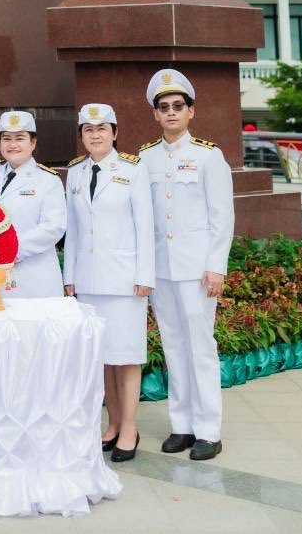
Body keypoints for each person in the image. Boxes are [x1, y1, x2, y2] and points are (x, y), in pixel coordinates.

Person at [141, 68, 234, 462]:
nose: (172, 113)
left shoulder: (208, 156)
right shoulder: (144, 158)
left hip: (197, 270)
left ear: (191, 112)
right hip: (161, 269)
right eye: (164, 108)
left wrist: (216, 268)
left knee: (200, 348)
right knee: (174, 346)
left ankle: (208, 430)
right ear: (156, 115)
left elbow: (222, 216)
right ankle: (182, 425)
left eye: (179, 106)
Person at [64, 102, 154, 463]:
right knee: (102, 359)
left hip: (124, 281)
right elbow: (72, 229)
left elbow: (145, 226)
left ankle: (130, 428)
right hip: (87, 280)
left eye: (102, 128)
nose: (95, 135)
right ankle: (113, 424)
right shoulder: (75, 173)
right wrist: (69, 277)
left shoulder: (132, 169)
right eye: (88, 129)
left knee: (127, 357)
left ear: (115, 133)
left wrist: (145, 275)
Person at [0, 109, 66, 297]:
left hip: (35, 280)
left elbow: (53, 227)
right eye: (7, 138)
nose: (12, 144)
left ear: (33, 143)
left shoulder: (48, 180)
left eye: (19, 138)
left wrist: (11, 249)